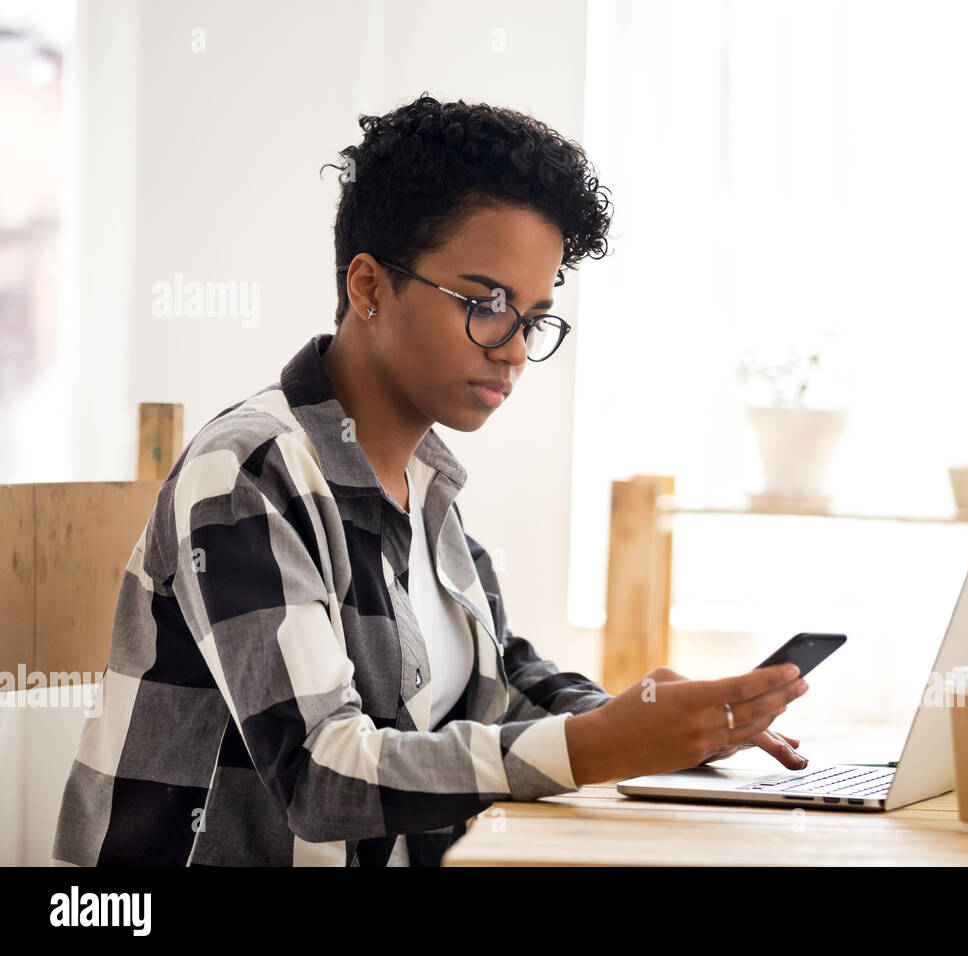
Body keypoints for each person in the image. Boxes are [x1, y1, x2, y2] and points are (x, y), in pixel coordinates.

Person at [51, 95, 809, 867]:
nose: (514, 350)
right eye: (486, 304)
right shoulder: (250, 473)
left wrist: (650, 722)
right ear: (370, 289)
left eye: (534, 317)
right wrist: (597, 745)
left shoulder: (428, 486)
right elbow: (320, 775)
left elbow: (504, 684)